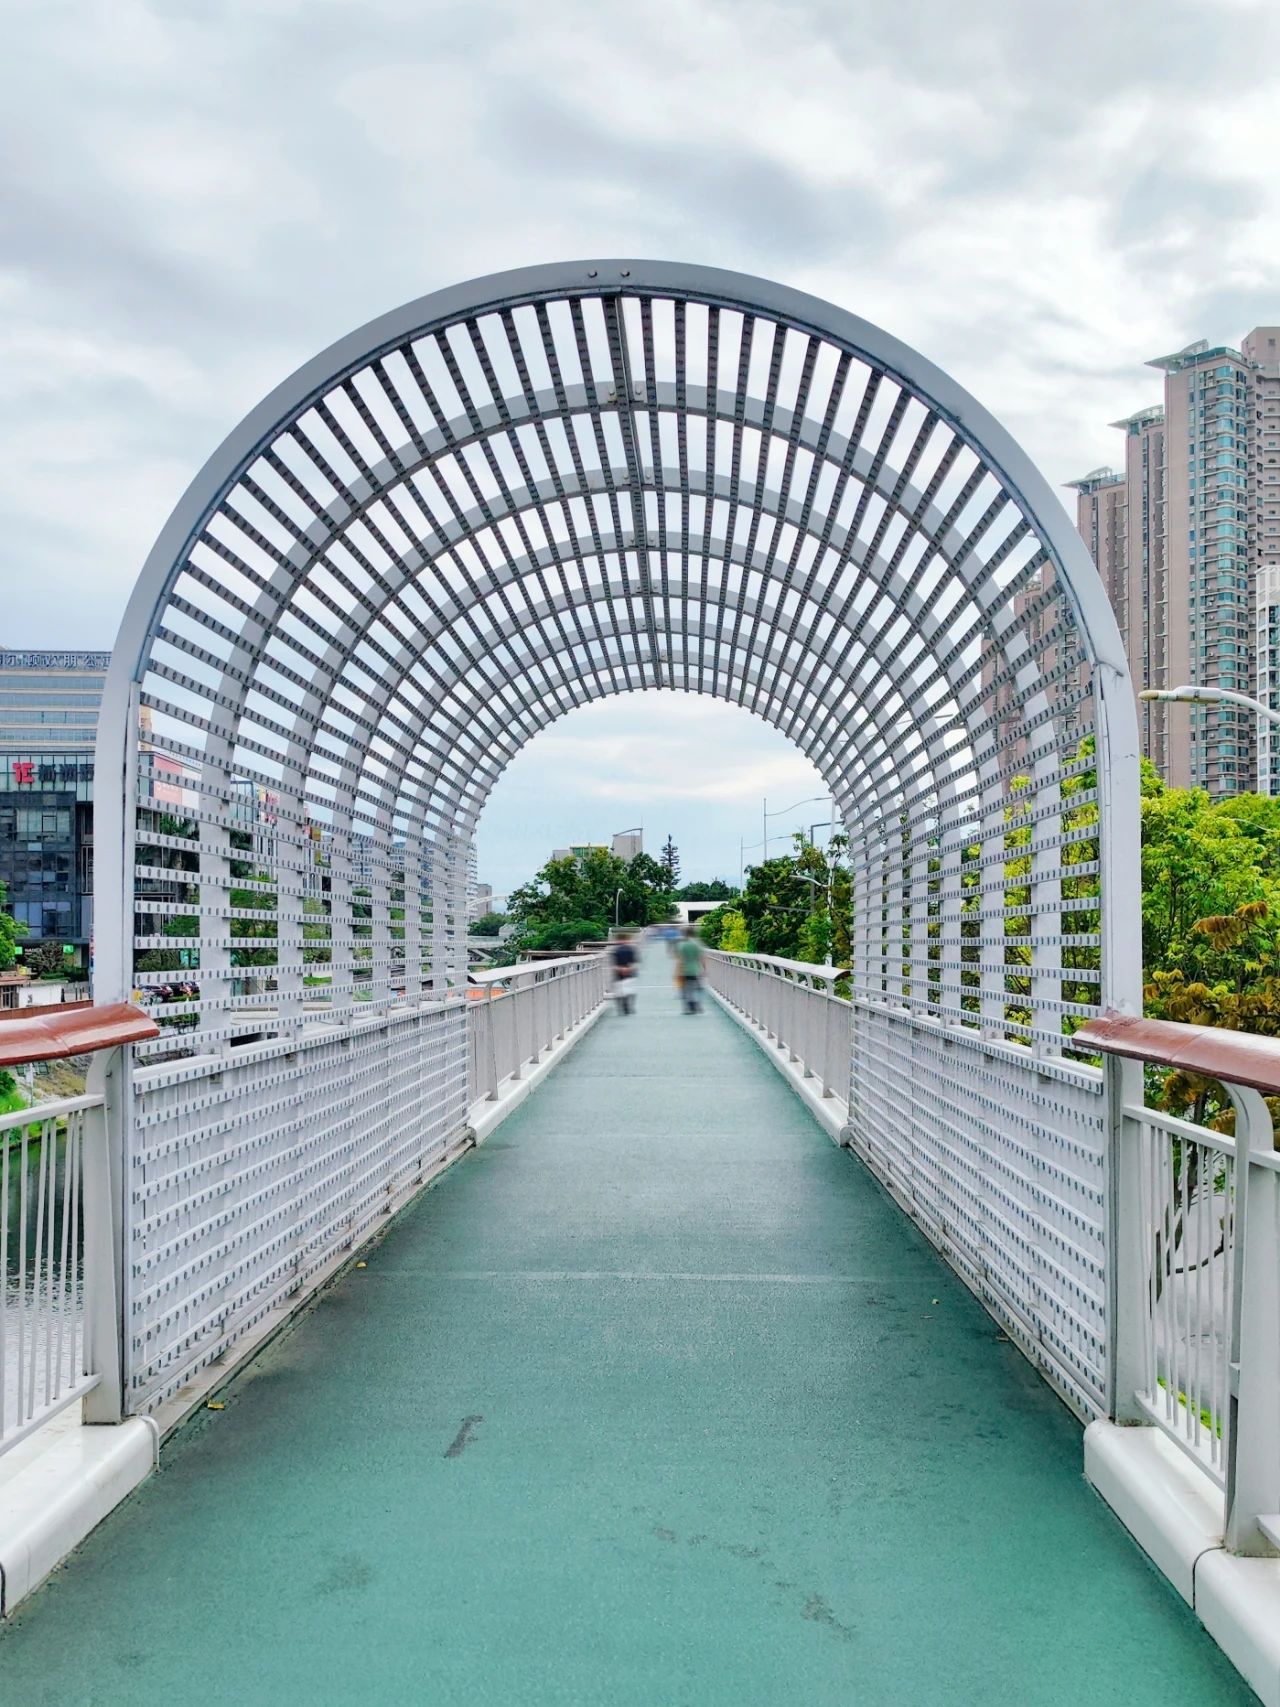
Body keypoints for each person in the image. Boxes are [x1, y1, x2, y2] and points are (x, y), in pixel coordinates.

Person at [609, 929, 639, 1015]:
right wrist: (628, 969)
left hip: (618, 974)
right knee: (629, 990)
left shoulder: (615, 950)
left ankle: (621, 1008)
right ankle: (629, 1007)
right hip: (630, 973)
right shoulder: (631, 949)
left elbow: (613, 964)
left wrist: (621, 969)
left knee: (619, 992)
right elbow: (634, 962)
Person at [676, 926, 705, 1014]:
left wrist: (678, 971)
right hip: (696, 970)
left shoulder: (682, 945)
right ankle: (697, 1005)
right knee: (696, 988)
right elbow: (701, 958)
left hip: (685, 970)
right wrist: (704, 969)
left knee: (686, 989)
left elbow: (680, 960)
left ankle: (689, 1007)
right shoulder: (697, 944)